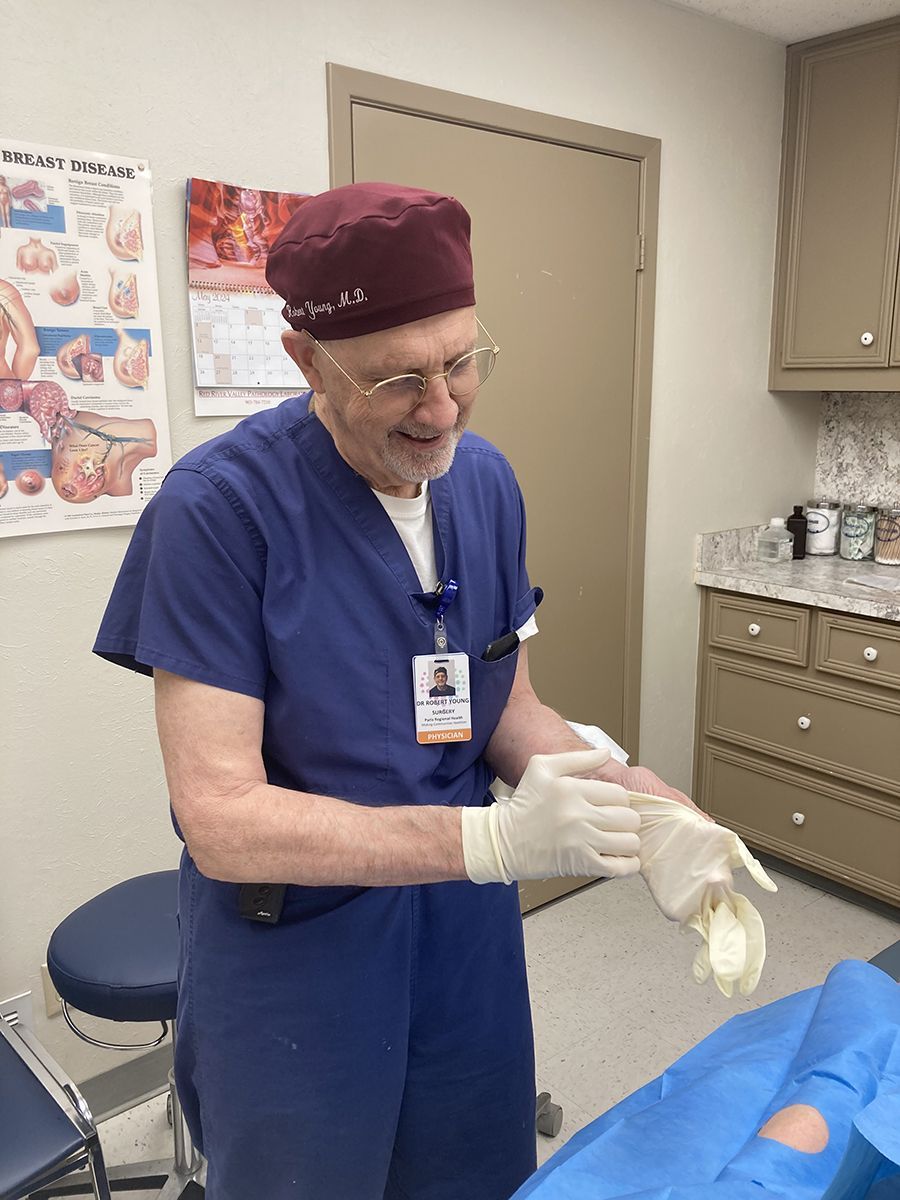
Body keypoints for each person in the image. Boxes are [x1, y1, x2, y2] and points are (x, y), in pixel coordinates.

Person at [93, 182, 699, 1200]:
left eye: (463, 362)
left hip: (462, 937)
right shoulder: (217, 515)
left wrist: (627, 792)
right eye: (399, 380)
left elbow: (505, 705)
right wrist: (494, 842)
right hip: (295, 948)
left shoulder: (486, 482)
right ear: (306, 363)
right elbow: (222, 819)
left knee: (474, 1171)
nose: (444, 407)